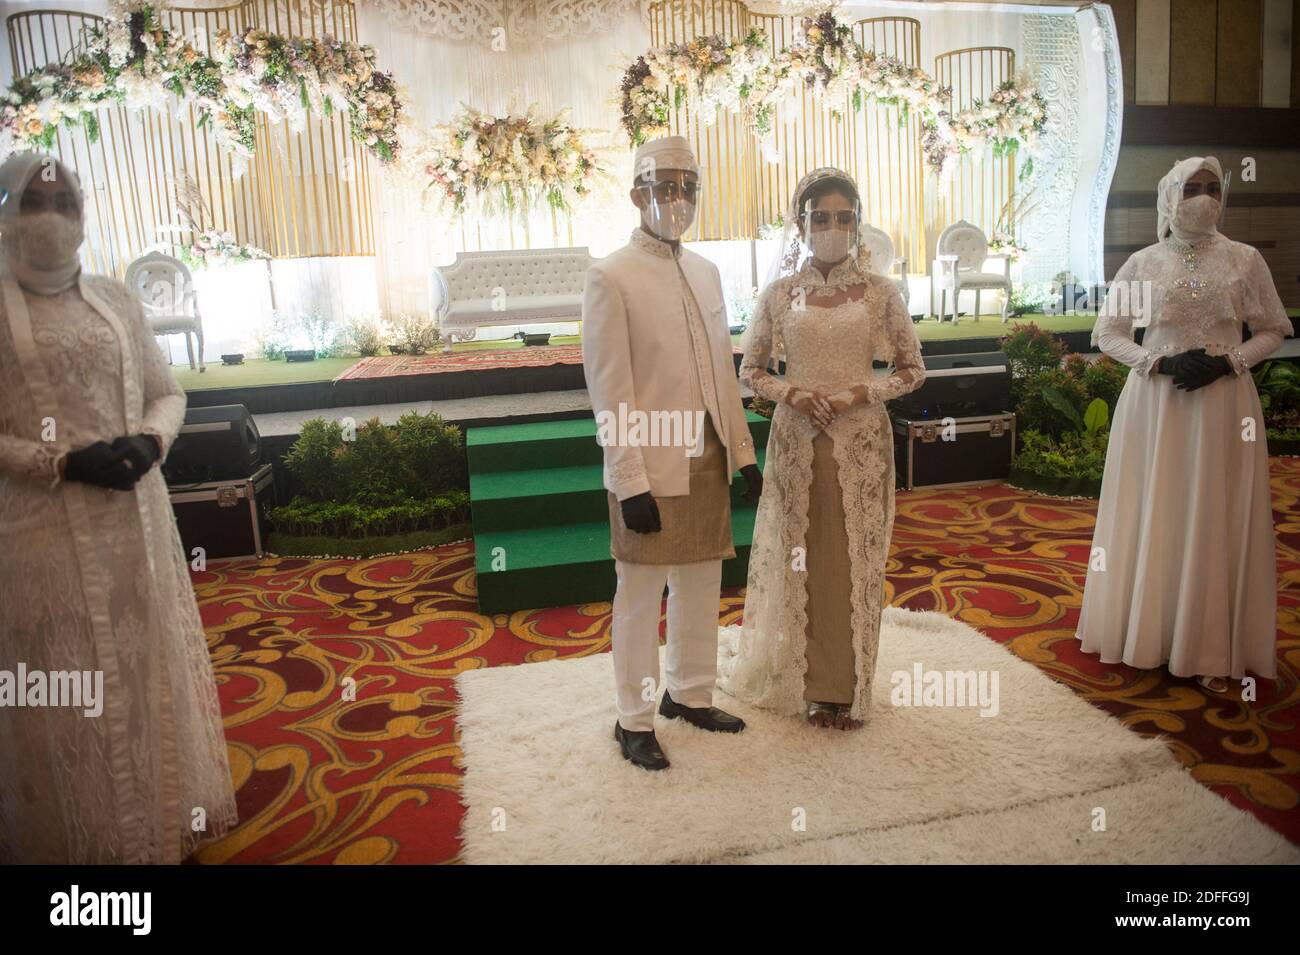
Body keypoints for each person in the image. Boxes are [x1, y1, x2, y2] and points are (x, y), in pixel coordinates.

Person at [0, 151, 237, 861]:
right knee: (66, 694)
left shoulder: (115, 298)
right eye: (35, 201)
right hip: (38, 532)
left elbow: (168, 389)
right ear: (8, 210)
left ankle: (161, 828)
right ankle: (86, 843)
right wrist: (59, 460)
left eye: (63, 200)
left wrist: (150, 441)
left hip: (134, 522)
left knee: (143, 672)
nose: (52, 214)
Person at [718, 166, 925, 729]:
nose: (833, 226)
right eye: (821, 217)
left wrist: (865, 390)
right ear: (801, 224)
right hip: (798, 442)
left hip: (861, 444)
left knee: (856, 562)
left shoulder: (883, 293)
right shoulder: (780, 294)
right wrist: (794, 393)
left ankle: (850, 687)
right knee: (804, 560)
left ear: (857, 224)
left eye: (844, 217)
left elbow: (913, 371)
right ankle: (809, 684)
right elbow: (752, 369)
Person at [1075, 155, 1291, 693]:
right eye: (1192, 187)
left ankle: (1211, 647)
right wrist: (1161, 361)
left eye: (1213, 188)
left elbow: (1272, 328)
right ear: (1169, 195)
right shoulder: (1144, 262)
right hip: (1157, 404)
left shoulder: (1246, 258)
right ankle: (1146, 632)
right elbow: (1109, 333)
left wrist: (1230, 360)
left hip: (1224, 404)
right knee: (1158, 506)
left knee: (1215, 512)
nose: (1203, 197)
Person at [582, 135, 763, 771]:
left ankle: (688, 694)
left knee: (700, 578)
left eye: (688, 185)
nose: (678, 198)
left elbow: (721, 370)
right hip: (650, 460)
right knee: (639, 590)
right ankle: (632, 717)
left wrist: (743, 454)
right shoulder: (611, 274)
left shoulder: (708, 270)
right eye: (665, 186)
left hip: (706, 450)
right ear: (638, 194)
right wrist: (627, 479)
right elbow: (610, 387)